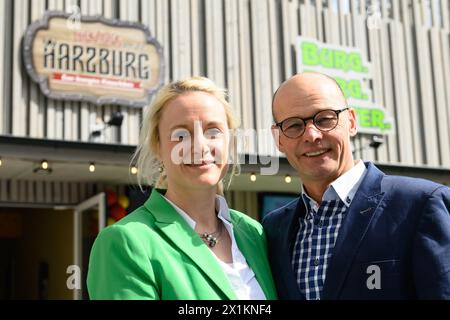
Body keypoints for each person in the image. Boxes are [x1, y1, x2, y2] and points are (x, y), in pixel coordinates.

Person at [263, 72, 450, 300]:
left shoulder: (421, 204)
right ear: (279, 139)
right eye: (293, 125)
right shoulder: (273, 230)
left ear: (351, 122)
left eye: (324, 119)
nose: (311, 135)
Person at [87, 76, 277, 300]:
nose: (199, 146)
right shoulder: (126, 241)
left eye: (213, 131)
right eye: (181, 134)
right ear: (158, 146)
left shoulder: (253, 233)